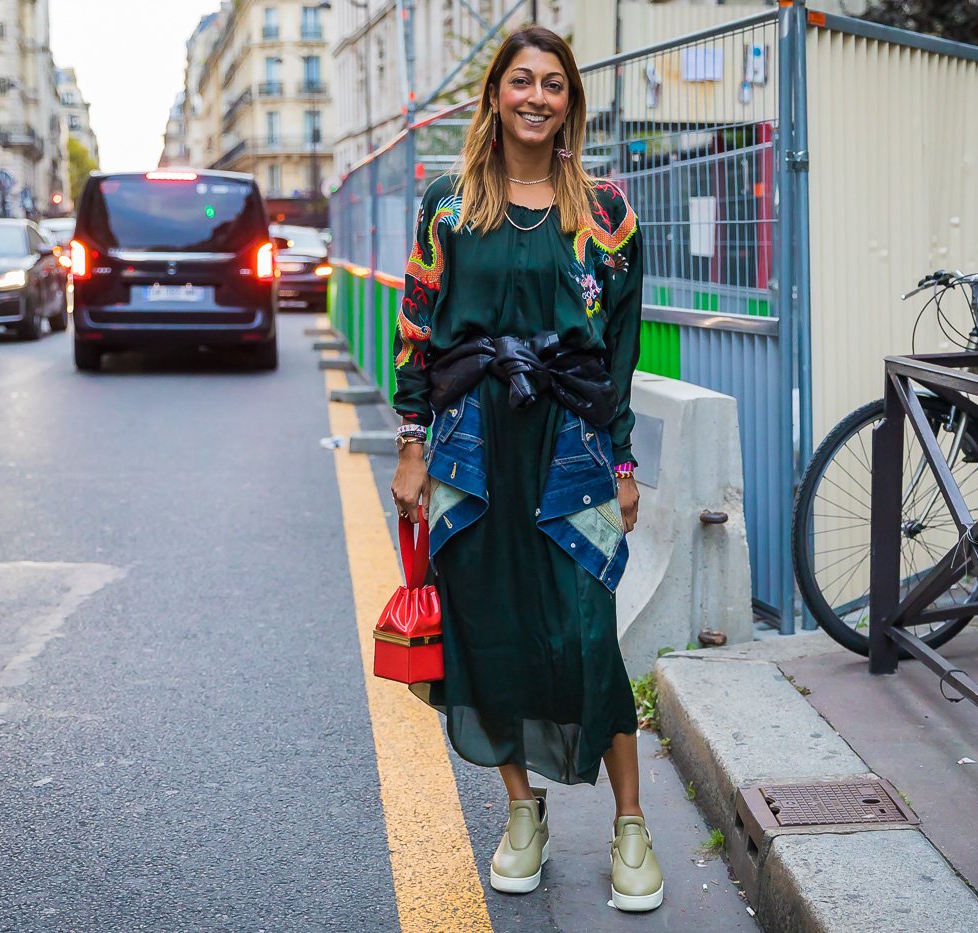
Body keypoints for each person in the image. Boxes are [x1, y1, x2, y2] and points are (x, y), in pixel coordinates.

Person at [388, 25, 662, 912]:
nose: (536, 97)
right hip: (472, 444)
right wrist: (411, 442)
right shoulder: (447, 204)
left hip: (572, 450)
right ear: (495, 96)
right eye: (521, 81)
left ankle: (629, 823)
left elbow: (619, 349)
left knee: (587, 633)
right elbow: (419, 326)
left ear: (569, 100)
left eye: (553, 83)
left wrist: (623, 459)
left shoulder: (608, 214)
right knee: (487, 631)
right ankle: (522, 813)